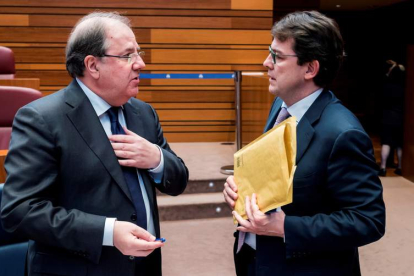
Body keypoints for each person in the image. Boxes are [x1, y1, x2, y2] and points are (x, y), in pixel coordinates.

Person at [1, 12, 188, 276]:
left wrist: (157, 159)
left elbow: (179, 180)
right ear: (93, 65)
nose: (141, 64)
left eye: (139, 53)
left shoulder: (143, 113)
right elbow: (19, 211)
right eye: (128, 56)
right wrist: (108, 232)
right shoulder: (42, 119)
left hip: (144, 267)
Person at [223, 11, 385, 276]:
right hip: (255, 258)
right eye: (269, 51)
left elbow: (369, 220)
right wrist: (240, 186)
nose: (266, 62)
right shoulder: (281, 105)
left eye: (277, 56)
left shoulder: (343, 133)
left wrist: (285, 227)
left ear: (310, 68)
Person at [378, 60, 405, 176]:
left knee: (386, 143)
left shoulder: (386, 85)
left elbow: (385, 77)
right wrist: (397, 66)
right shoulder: (405, 87)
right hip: (400, 118)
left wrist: (392, 67)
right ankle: (400, 167)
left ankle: (383, 167)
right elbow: (403, 71)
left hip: (387, 117)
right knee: (399, 144)